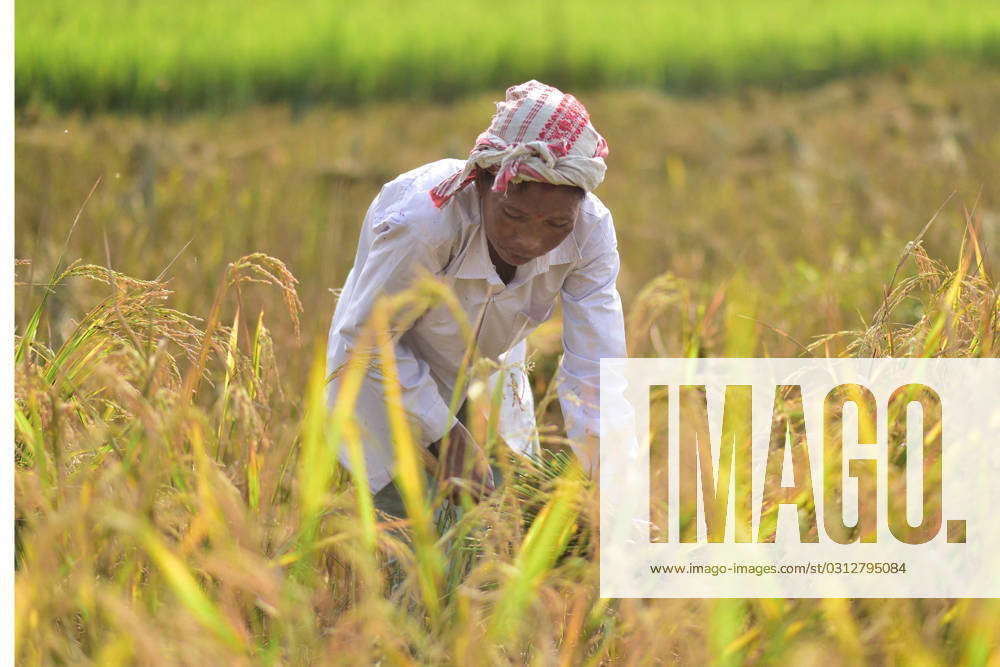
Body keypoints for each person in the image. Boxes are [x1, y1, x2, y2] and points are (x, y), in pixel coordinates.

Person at [325, 80, 626, 522]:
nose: (529, 239)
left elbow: (598, 372)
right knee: (410, 548)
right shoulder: (425, 225)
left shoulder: (590, 233)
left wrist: (613, 493)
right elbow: (367, 342)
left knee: (504, 535)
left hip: (485, 377)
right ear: (484, 181)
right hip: (381, 377)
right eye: (514, 215)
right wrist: (447, 437)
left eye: (555, 224)